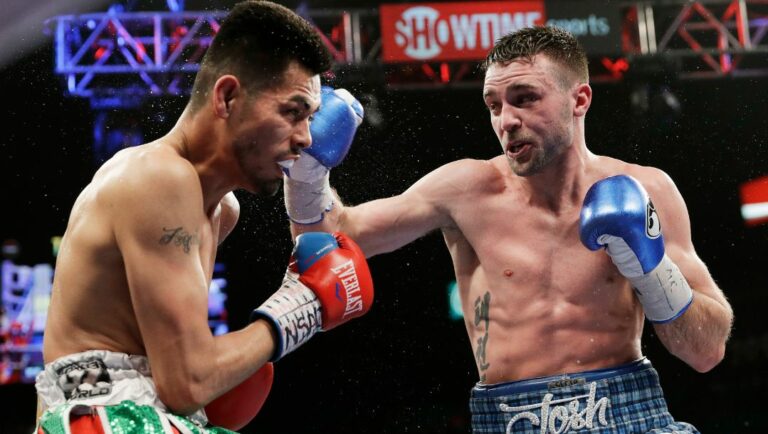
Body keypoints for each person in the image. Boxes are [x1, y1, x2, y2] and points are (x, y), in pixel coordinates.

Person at [283, 26, 733, 433]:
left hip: (628, 413)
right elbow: (328, 240)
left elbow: (706, 351)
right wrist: (306, 174)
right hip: (510, 418)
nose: (505, 120)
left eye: (525, 98)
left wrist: (651, 270)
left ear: (580, 100)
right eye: (494, 105)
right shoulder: (467, 189)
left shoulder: (647, 188)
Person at [35, 1, 374, 433]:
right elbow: (188, 381)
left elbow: (177, 379)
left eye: (309, 118)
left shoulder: (220, 210)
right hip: (103, 417)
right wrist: (302, 306)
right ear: (227, 97)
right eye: (291, 112)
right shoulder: (158, 176)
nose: (305, 138)